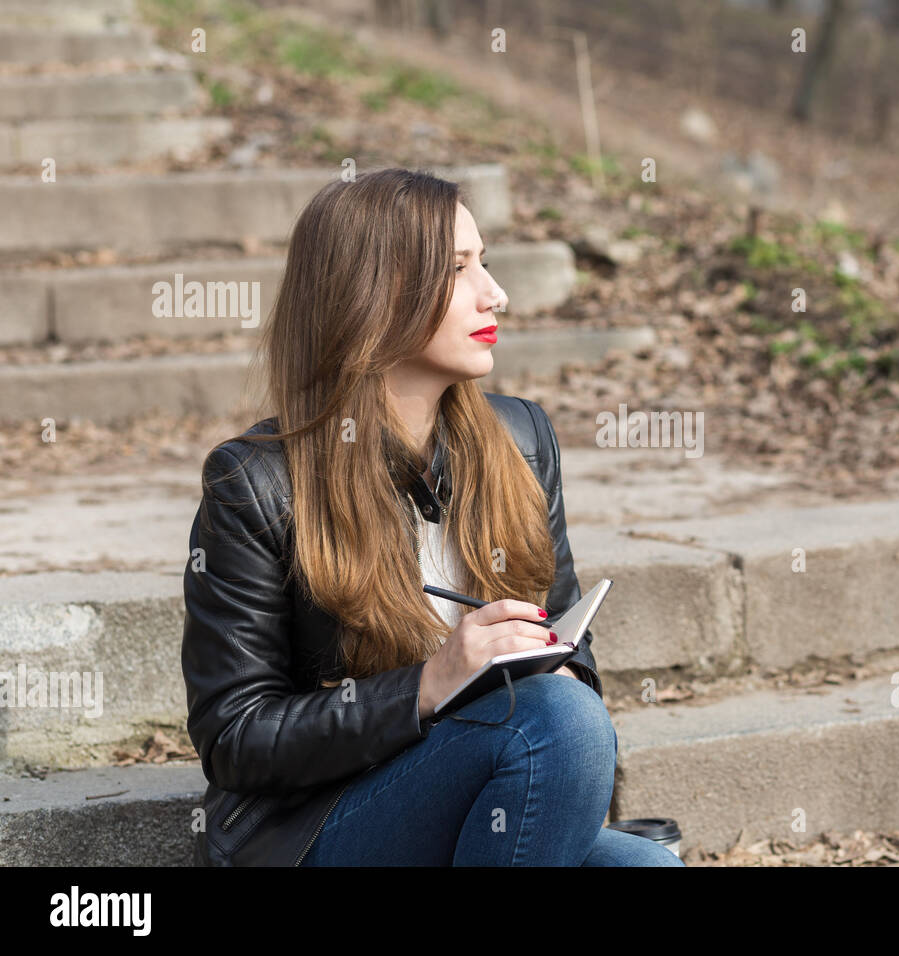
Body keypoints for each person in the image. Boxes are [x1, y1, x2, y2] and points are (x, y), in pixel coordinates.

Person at [181, 167, 683, 867]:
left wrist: (566, 671)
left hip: (484, 782)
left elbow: (566, 636)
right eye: (459, 269)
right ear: (374, 295)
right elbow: (235, 737)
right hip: (319, 824)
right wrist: (427, 686)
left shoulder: (522, 440)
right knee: (558, 725)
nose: (496, 292)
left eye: (486, 262)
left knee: (646, 863)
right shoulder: (257, 483)